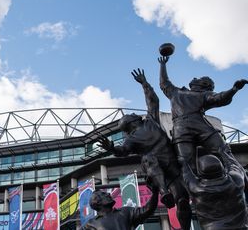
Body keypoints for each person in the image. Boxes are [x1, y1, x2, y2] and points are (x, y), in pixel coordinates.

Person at [98, 69, 191, 230]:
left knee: (184, 201)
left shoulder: (151, 121)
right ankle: (164, 192)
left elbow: (152, 101)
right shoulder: (131, 139)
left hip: (176, 163)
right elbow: (123, 151)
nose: (134, 113)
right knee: (149, 159)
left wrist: (145, 84)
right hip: (164, 174)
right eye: (132, 114)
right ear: (130, 121)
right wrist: (112, 148)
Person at [158, 56, 248, 171]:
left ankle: (240, 179)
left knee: (220, 153)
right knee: (220, 154)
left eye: (199, 78)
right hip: (195, 128)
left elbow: (220, 97)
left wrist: (233, 89)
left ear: (204, 85)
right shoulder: (177, 92)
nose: (195, 77)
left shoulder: (202, 94)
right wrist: (163, 65)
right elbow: (164, 82)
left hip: (185, 129)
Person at [181, 152, 248, 229]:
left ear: (200, 173)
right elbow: (233, 164)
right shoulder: (236, 180)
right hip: (241, 227)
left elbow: (186, 173)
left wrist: (184, 161)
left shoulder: (197, 189)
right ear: (222, 169)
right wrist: (224, 153)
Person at [81, 187, 158, 230]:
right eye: (103, 194)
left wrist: (155, 191)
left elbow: (148, 210)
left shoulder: (126, 211)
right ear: (97, 202)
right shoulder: (90, 224)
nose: (108, 193)